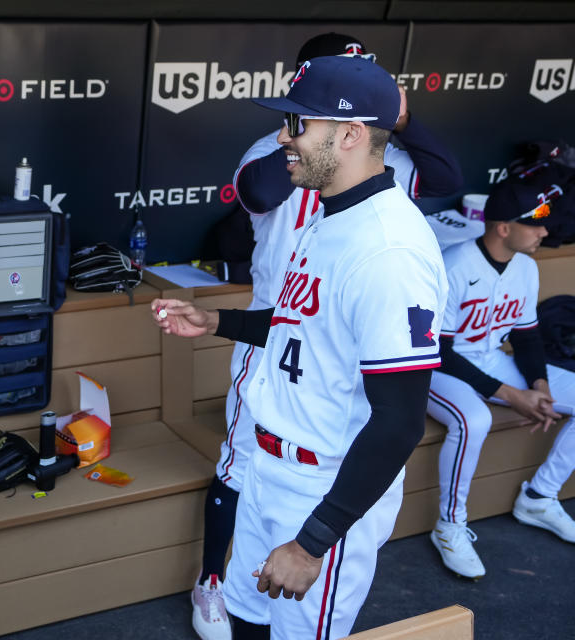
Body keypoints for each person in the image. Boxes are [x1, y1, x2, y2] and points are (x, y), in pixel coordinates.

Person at [154, 55, 447, 639]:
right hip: (270, 467)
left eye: (299, 124)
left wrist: (314, 541)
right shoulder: (332, 214)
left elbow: (399, 422)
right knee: (245, 620)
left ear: (352, 134)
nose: (284, 138)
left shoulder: (390, 250)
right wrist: (217, 322)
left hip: (324, 490)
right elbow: (302, 327)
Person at [427, 177, 575, 580]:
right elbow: (437, 350)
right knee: (474, 419)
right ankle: (450, 525)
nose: (545, 231)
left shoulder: (525, 267)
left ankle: (539, 497)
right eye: (535, 223)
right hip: (434, 368)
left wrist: (539, 387)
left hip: (490, 359)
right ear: (503, 228)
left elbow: (526, 337)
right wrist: (510, 394)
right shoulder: (454, 266)